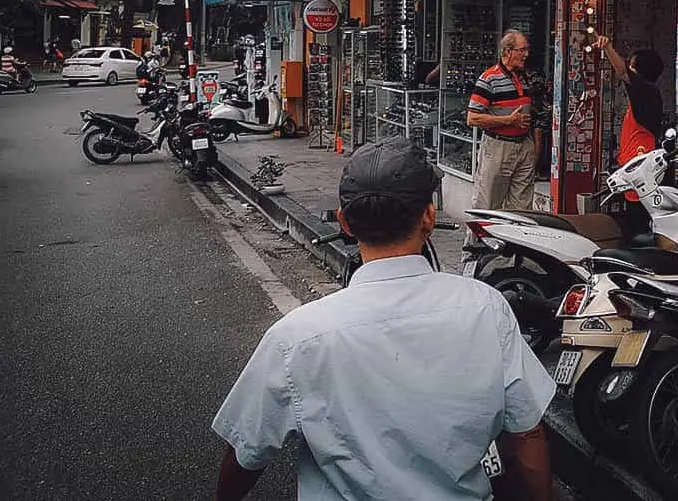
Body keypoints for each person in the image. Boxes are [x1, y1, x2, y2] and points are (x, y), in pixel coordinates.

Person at [211, 136, 555, 501]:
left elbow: (247, 450)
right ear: (429, 216)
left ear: (344, 222)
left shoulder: (296, 337)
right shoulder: (486, 307)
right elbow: (526, 437)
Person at [467, 30, 538, 210]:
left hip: (524, 145)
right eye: (522, 50)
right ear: (508, 51)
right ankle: (477, 238)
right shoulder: (489, 78)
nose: (526, 55)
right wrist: (508, 121)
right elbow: (472, 118)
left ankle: (513, 238)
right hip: (499, 148)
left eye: (527, 50)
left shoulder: (524, 77)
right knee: (488, 204)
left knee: (521, 207)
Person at [594, 36, 665, 167]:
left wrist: (608, 47)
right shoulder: (646, 94)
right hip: (632, 164)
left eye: (632, 66)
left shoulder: (646, 91)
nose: (629, 69)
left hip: (638, 166)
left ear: (641, 70)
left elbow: (622, 72)